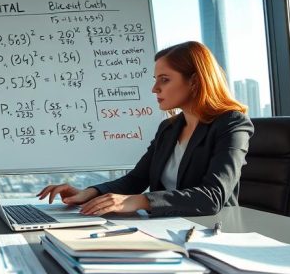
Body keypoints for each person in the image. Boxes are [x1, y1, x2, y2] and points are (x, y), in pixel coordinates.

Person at [37, 41, 253, 217]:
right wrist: (89, 193)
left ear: (194, 81)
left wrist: (139, 201)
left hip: (211, 230)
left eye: (164, 80)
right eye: (155, 80)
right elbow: (136, 179)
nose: (154, 88)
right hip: (166, 226)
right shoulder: (169, 128)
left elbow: (212, 197)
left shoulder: (232, 124)